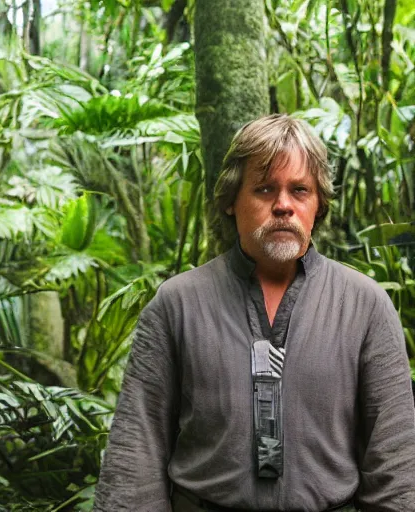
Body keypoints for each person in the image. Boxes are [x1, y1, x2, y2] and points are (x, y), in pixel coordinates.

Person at [93, 114, 415, 512]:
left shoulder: (365, 306)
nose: (284, 206)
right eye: (264, 189)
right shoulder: (177, 305)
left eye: (300, 190)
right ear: (231, 201)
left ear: (319, 203)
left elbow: (396, 464)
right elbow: (135, 459)